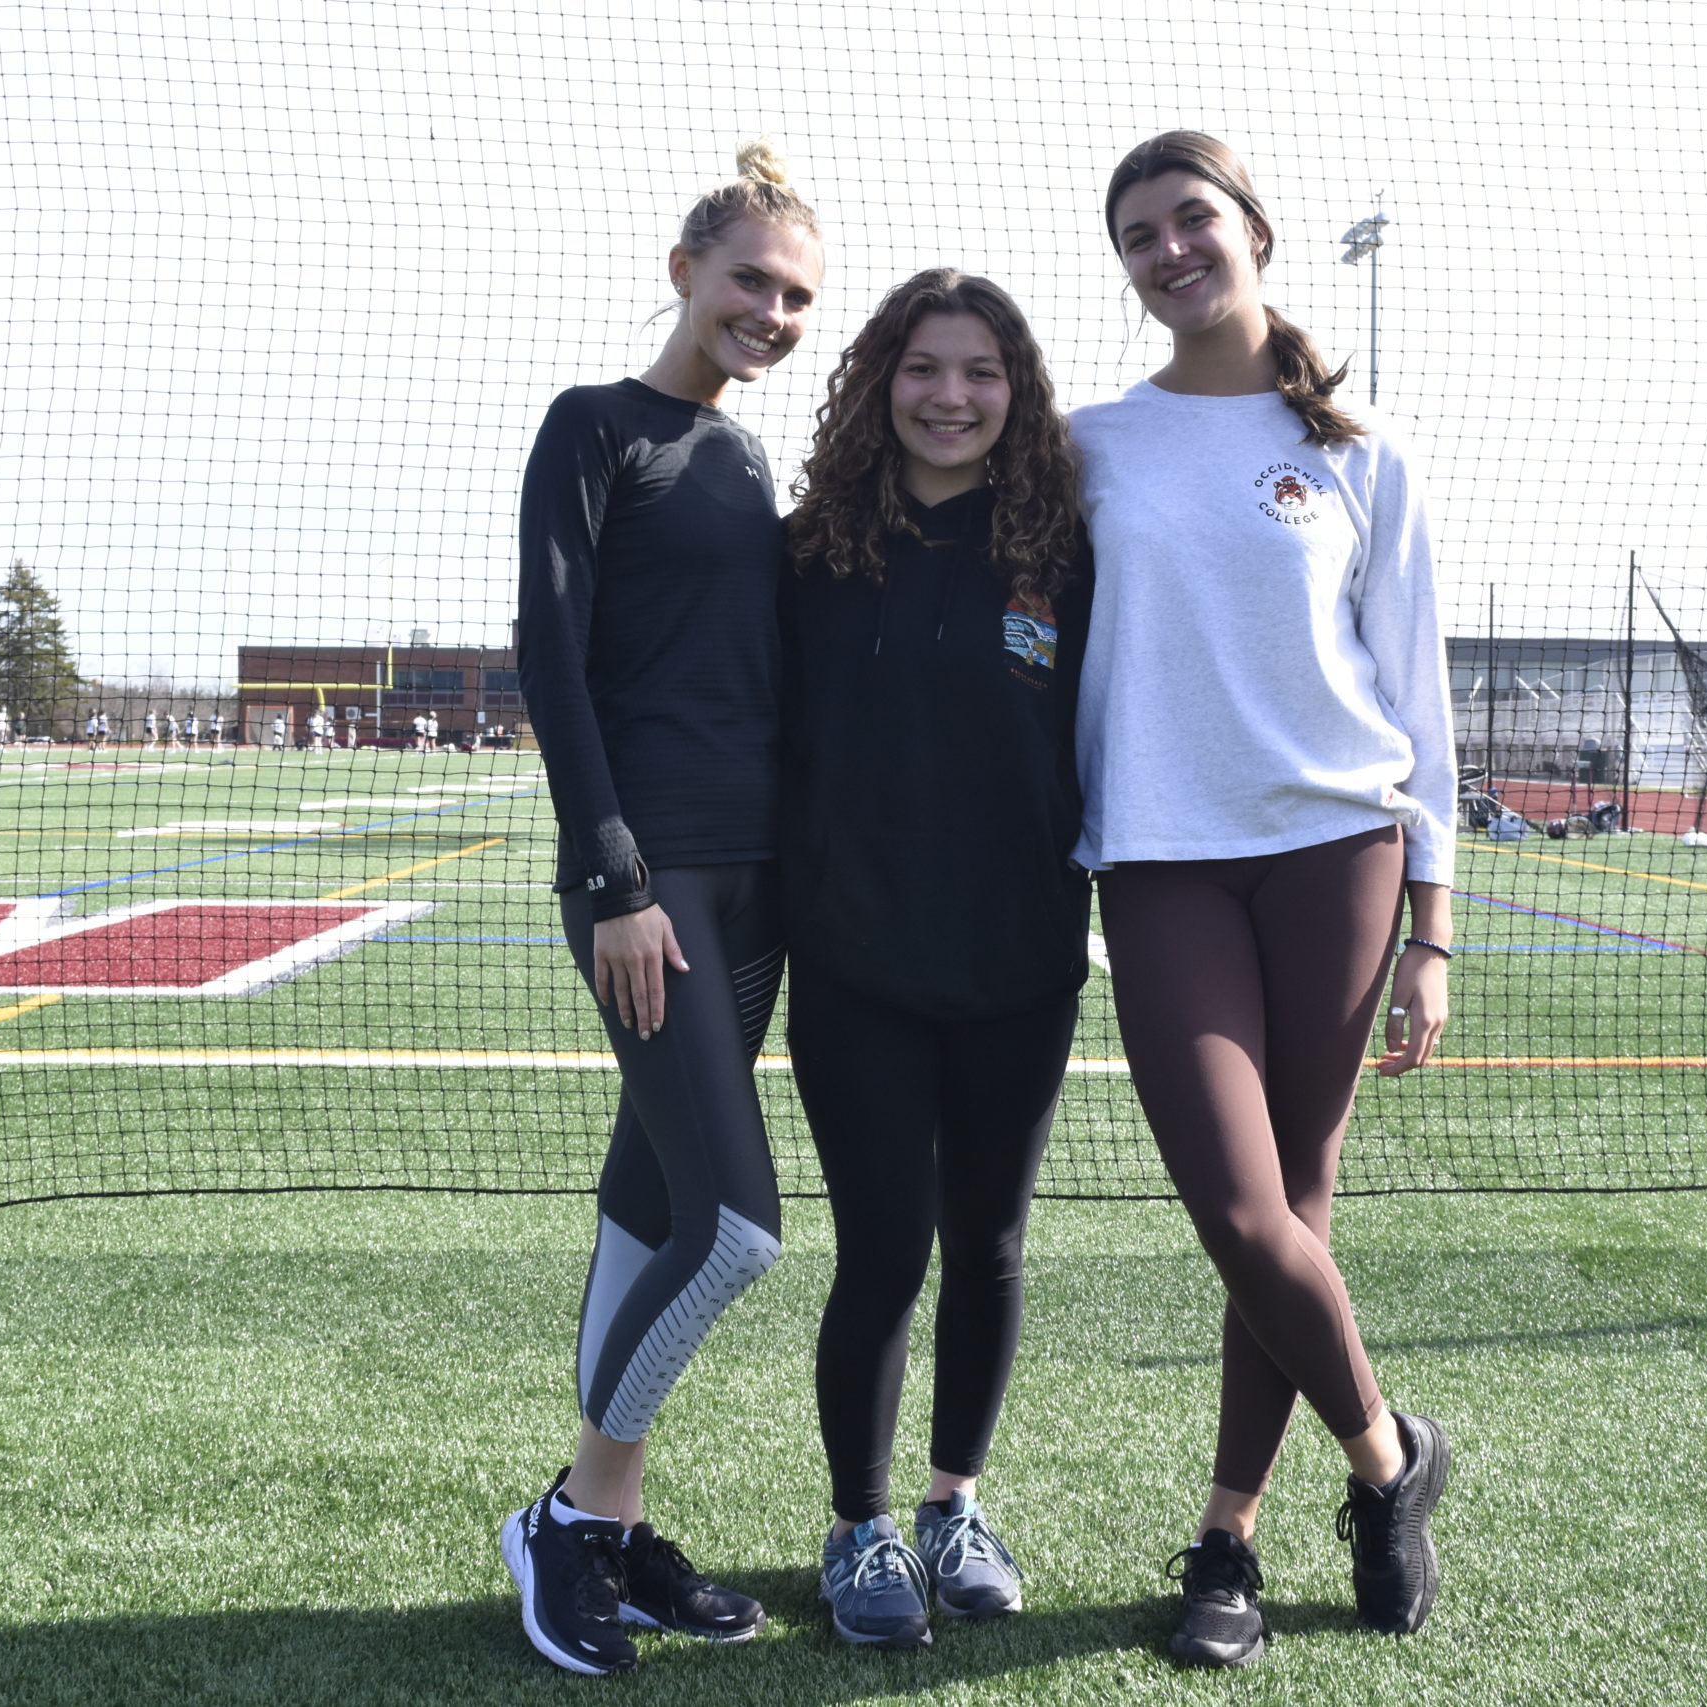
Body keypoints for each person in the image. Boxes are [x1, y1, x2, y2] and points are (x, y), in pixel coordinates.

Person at [1076, 132, 1459, 1666]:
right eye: (1138, 236)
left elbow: (1418, 704)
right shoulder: (1087, 443)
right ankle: (1391, 1464)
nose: (1168, 250)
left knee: (1291, 1210)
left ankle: (1226, 1538)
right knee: (1243, 1213)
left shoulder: (1363, 458)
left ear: (1255, 232)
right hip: (1159, 860)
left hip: (1338, 861)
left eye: (1191, 220)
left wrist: (1434, 926)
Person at [499, 139, 823, 1679]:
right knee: (740, 1231)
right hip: (652, 886)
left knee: (649, 1204)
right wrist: (615, 876)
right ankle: (571, 1516)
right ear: (684, 268)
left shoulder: (752, 462)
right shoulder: (593, 428)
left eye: (798, 296)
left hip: (756, 891)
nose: (773, 310)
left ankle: (610, 1537)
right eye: (752, 279)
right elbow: (551, 662)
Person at [779, 269, 1092, 1648]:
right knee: (884, 1251)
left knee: (992, 1244)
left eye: (980, 372)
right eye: (923, 368)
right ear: (877, 382)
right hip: (855, 964)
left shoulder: (1068, 556)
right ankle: (860, 1529)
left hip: (1022, 965)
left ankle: (952, 1504)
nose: (951, 396)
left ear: (1014, 392)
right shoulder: (810, 553)